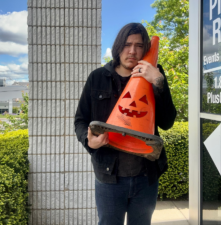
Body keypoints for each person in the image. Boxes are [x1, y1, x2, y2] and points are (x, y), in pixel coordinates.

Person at [74, 23, 176, 225]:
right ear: (118, 46)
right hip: (109, 176)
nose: (132, 51)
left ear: (145, 48)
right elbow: (80, 120)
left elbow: (167, 122)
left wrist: (158, 82)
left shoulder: (155, 75)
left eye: (139, 45)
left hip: (145, 176)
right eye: (127, 44)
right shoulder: (98, 77)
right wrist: (89, 141)